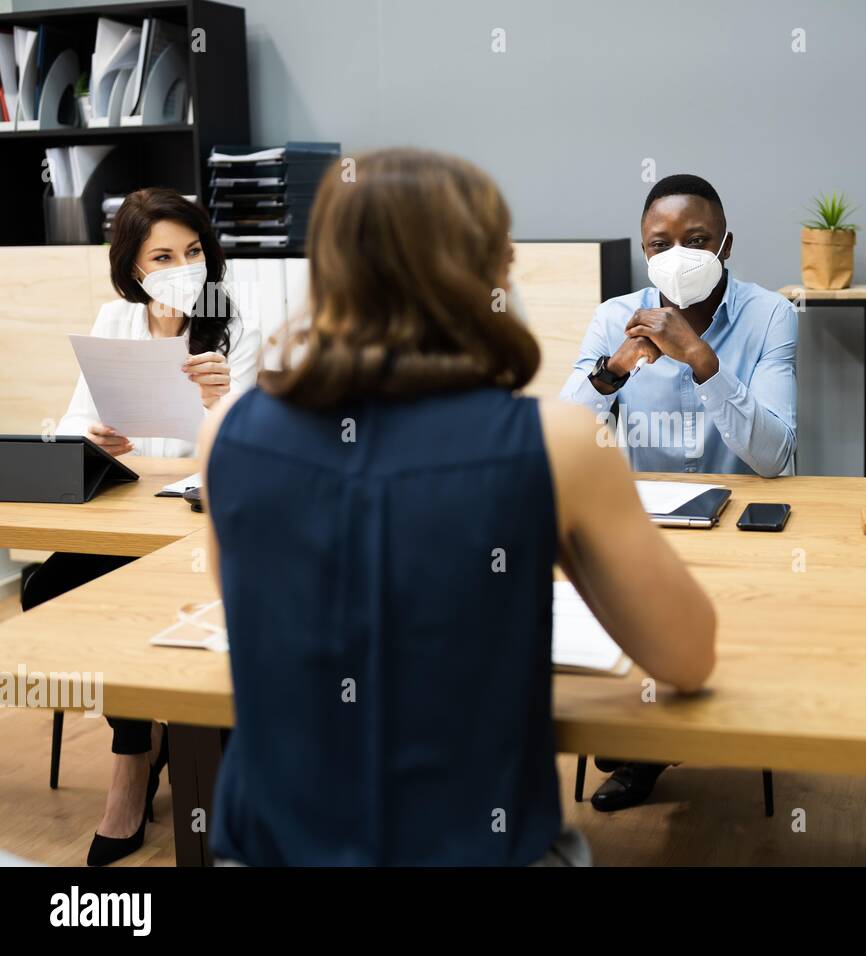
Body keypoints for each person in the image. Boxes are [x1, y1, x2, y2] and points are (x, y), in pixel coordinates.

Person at [196, 148, 716, 866]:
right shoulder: (560, 443)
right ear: (483, 275)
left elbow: (257, 612)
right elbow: (686, 658)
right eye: (503, 260)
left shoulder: (227, 431)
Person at [21, 187, 260, 867]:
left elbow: (251, 450)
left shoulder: (233, 329)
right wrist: (94, 435)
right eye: (164, 255)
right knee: (48, 593)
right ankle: (139, 737)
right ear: (133, 267)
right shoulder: (114, 320)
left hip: (203, 530)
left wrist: (222, 400)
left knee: (151, 611)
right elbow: (72, 427)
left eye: (193, 251)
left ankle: (135, 760)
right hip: (128, 520)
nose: (183, 266)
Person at [559, 173, 797, 810]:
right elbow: (564, 435)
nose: (677, 255)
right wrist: (611, 371)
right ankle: (645, 736)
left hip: (743, 526)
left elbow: (774, 457)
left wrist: (702, 360)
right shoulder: (615, 316)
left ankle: (652, 742)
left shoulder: (771, 314)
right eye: (659, 243)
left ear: (725, 244)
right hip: (644, 525)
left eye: (696, 239)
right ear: (643, 251)